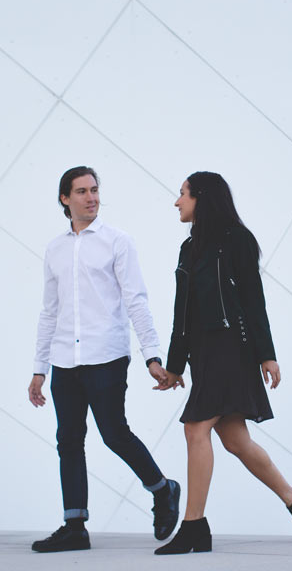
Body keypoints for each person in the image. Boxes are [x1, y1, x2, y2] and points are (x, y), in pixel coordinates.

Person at [152, 171, 292, 555]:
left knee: (196, 428)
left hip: (232, 348)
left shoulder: (237, 241)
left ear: (202, 198)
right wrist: (176, 366)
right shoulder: (188, 248)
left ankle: (194, 526)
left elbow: (253, 300)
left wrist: (267, 354)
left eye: (182, 194)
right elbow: (184, 314)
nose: (177, 202)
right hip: (203, 354)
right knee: (235, 440)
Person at [28, 166, 180, 553]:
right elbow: (49, 311)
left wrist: (152, 356)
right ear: (65, 198)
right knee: (69, 440)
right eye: (81, 191)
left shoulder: (118, 241)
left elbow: (136, 301)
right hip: (64, 359)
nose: (91, 197)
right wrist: (38, 369)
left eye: (95, 190)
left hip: (107, 356)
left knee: (114, 434)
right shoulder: (55, 249)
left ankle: (162, 490)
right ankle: (75, 525)